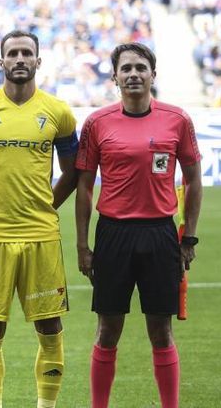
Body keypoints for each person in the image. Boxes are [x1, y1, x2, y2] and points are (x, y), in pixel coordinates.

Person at [0, 30, 79, 408]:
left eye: (27, 53)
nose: (20, 59)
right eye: (13, 53)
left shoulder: (59, 112)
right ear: (1, 61)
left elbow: (72, 173)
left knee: (50, 326)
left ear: (38, 61)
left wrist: (46, 206)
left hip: (41, 235)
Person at [75, 42, 202, 408]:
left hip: (161, 234)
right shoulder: (98, 123)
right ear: (115, 77)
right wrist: (83, 246)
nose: (133, 74)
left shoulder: (177, 120)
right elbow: (84, 187)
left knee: (161, 331)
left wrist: (188, 236)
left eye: (140, 68)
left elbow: (193, 179)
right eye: (126, 68)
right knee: (108, 330)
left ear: (153, 75)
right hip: (113, 233)